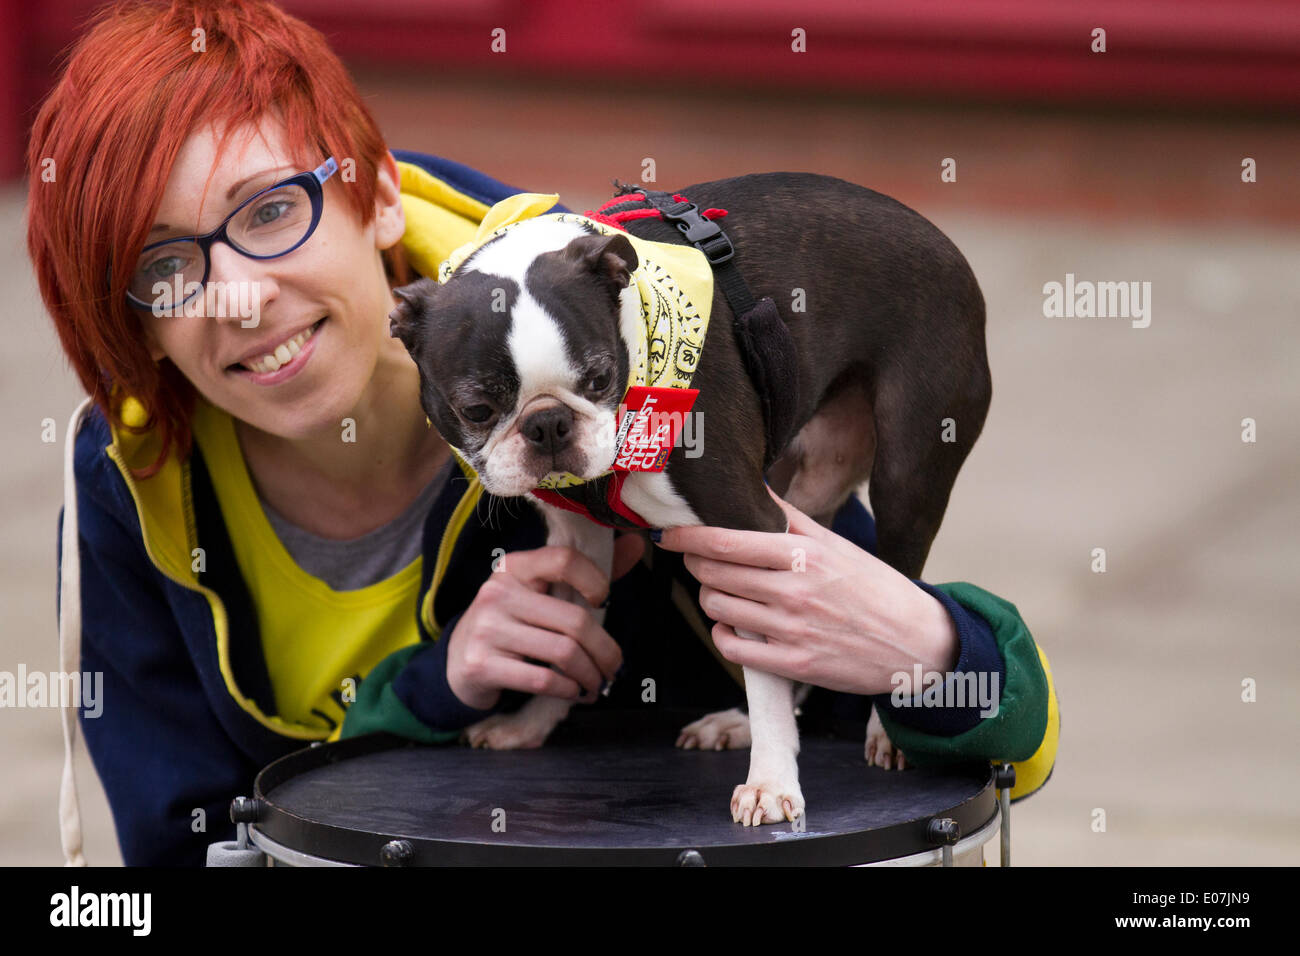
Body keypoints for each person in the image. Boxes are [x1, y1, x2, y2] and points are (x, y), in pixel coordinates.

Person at [32, 0, 1058, 867]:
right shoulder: (129, 477)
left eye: (268, 213)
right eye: (166, 267)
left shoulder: (604, 327)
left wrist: (933, 648)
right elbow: (183, 849)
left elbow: (1009, 736)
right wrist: (431, 691)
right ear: (128, 315)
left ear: (379, 192)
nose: (241, 298)